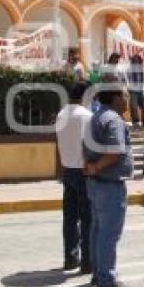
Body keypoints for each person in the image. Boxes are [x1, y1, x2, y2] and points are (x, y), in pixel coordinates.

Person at [83, 80, 135, 287]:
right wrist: (97, 167)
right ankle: (106, 281)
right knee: (108, 234)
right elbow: (115, 151)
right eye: (125, 94)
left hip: (96, 184)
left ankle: (99, 273)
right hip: (108, 184)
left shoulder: (95, 116)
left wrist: (92, 166)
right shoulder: (113, 119)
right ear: (115, 97)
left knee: (98, 231)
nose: (128, 98)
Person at [55, 82, 93, 273]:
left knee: (70, 217)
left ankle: (70, 258)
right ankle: (87, 261)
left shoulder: (61, 114)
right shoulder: (86, 116)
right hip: (82, 171)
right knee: (87, 218)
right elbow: (88, 145)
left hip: (67, 169)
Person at [127, 54, 144, 126]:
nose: (136, 61)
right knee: (134, 107)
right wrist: (128, 88)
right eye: (134, 60)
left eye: (137, 60)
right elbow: (126, 80)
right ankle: (135, 122)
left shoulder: (143, 69)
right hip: (133, 90)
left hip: (142, 90)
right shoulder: (129, 69)